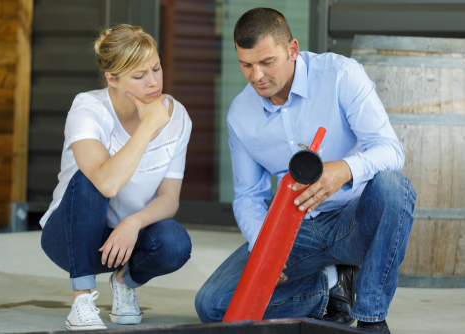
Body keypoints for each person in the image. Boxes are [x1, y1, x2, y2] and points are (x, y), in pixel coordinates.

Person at [195, 8, 415, 333]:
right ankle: (332, 287)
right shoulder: (240, 115)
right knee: (213, 305)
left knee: (394, 188)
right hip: (291, 231)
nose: (256, 75)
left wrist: (344, 169)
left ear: (293, 50)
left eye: (267, 62)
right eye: (246, 64)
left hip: (352, 219)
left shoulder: (341, 75)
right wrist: (264, 246)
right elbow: (247, 197)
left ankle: (371, 319)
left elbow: (391, 150)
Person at [40, 24, 193, 331]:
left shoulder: (177, 117)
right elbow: (105, 183)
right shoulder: (88, 109)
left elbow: (169, 199)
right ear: (112, 78)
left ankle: (124, 282)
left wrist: (133, 223)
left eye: (156, 69)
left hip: (125, 240)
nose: (153, 83)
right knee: (90, 181)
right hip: (70, 237)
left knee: (176, 243)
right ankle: (80, 299)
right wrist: (148, 127)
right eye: (139, 76)